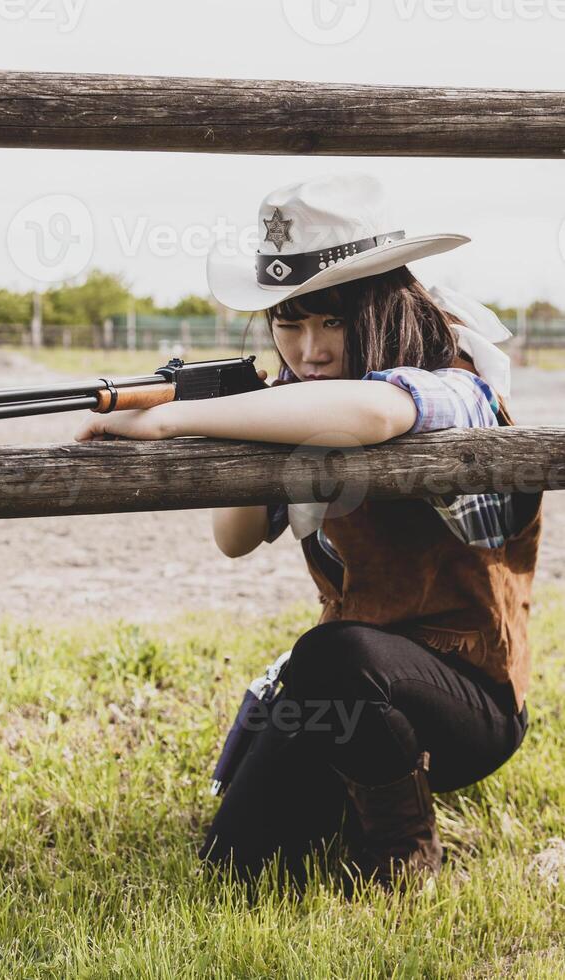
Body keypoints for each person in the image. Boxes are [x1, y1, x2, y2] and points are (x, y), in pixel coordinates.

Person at [74, 173, 541, 896]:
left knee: (335, 652)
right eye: (289, 324)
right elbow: (233, 539)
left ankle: (400, 852)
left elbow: (381, 413)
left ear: (382, 303)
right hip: (349, 691)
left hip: (468, 700)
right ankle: (366, 789)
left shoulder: (458, 379)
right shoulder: (291, 403)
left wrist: (175, 418)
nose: (309, 348)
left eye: (331, 321)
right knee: (237, 861)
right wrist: (243, 425)